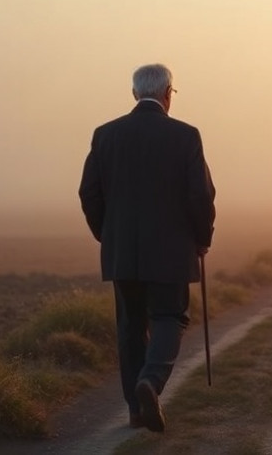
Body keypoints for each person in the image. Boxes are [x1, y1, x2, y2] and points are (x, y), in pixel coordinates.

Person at [78, 63, 216, 433]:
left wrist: (107, 236)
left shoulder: (105, 135)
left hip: (122, 252)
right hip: (171, 253)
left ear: (135, 94)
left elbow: (88, 193)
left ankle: (135, 412)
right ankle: (150, 383)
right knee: (170, 317)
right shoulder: (186, 136)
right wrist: (203, 237)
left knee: (130, 326)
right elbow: (200, 195)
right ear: (168, 93)